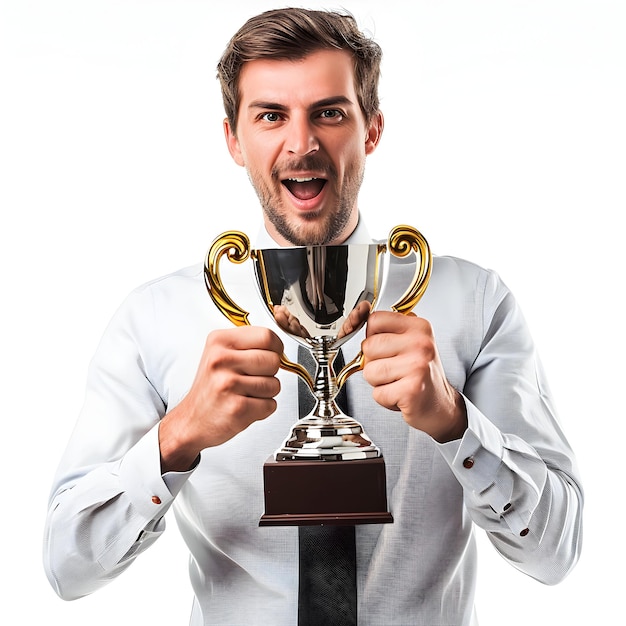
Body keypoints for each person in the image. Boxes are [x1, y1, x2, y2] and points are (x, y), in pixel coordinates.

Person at [43, 8, 583, 625]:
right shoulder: (155, 320)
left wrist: (456, 422)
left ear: (371, 129)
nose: (302, 144)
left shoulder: (474, 304)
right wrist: (177, 436)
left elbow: (556, 554)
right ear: (233, 140)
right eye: (271, 116)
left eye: (329, 112)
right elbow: (65, 565)